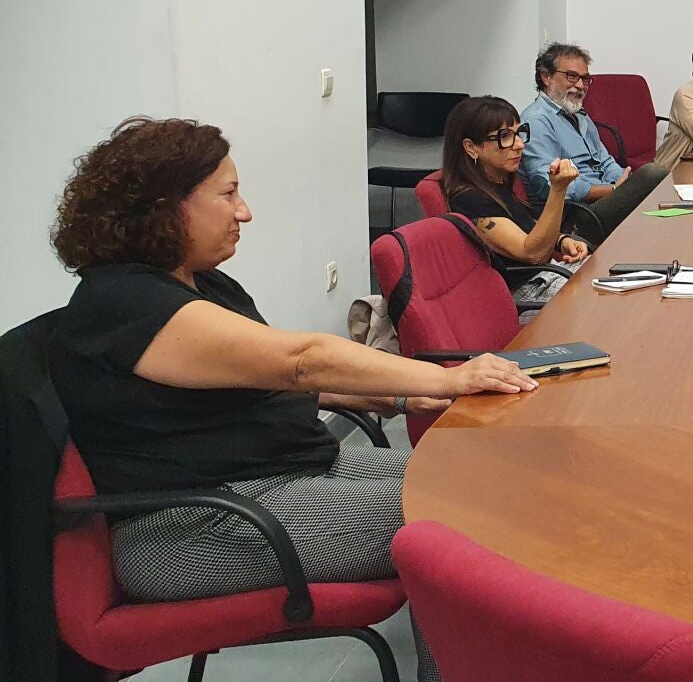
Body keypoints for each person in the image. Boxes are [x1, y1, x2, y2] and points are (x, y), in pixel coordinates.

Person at [47, 118, 540, 682]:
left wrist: (398, 397)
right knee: (463, 510)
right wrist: (446, 380)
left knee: (484, 474)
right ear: (165, 209)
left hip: (280, 473)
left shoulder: (200, 284)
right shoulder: (123, 304)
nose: (244, 212)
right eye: (228, 195)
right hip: (190, 526)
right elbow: (298, 360)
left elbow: (259, 380)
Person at [520, 43, 669, 235]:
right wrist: (613, 190)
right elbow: (548, 186)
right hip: (573, 215)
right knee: (653, 174)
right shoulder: (535, 121)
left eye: (585, 79)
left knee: (661, 190)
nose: (580, 86)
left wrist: (625, 182)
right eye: (572, 76)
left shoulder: (579, 114)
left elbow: (604, 161)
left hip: (603, 200)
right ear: (546, 77)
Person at [440, 95, 589, 271]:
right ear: (471, 148)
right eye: (504, 136)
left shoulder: (497, 182)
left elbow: (528, 228)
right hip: (533, 283)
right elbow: (534, 254)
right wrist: (558, 189)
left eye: (519, 133)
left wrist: (562, 241)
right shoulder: (468, 199)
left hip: (550, 272)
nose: (519, 145)